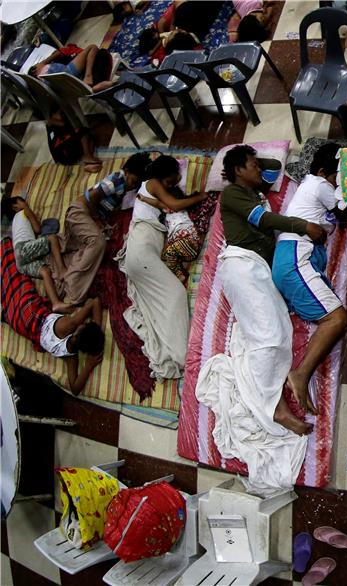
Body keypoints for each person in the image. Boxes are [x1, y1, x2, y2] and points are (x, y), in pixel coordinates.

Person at [218, 144, 327, 436]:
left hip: (258, 270)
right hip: (242, 265)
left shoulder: (256, 192)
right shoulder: (232, 194)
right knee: (268, 337)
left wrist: (249, 161)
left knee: (281, 332)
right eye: (252, 165)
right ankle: (276, 409)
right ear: (239, 171)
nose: (259, 169)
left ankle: (277, 396)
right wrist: (303, 225)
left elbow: (274, 168)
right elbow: (262, 220)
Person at [272, 143, 347, 414]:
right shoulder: (318, 184)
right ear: (323, 171)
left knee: (332, 319)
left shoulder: (313, 184)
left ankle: (301, 374)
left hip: (294, 260)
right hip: (295, 259)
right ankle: (301, 374)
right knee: (337, 319)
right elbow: (344, 211)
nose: (338, 185)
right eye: (337, 179)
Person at [117, 155, 206, 379]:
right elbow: (173, 204)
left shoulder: (150, 191)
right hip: (141, 250)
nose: (170, 187)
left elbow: (166, 206)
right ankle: (181, 354)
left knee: (157, 305)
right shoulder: (152, 182)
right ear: (161, 176)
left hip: (145, 253)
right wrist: (200, 197)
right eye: (169, 183)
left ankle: (175, 352)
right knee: (175, 293)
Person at [1, 240, 104, 395]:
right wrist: (88, 365)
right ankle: (6, 313)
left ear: (78, 331)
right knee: (10, 311)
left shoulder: (70, 324)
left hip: (30, 314)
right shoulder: (71, 356)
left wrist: (96, 325)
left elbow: (94, 302)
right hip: (19, 325)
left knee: (16, 278)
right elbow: (75, 389)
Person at [53, 152, 150, 305]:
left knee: (89, 251)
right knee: (98, 243)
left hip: (88, 217)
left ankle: (63, 275)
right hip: (80, 211)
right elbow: (92, 197)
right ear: (127, 171)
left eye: (136, 184)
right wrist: (97, 220)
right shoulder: (117, 179)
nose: (133, 185)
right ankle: (72, 284)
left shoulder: (124, 188)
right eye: (133, 181)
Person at [2, 196, 72, 312]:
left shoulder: (15, 222)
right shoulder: (24, 211)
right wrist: (27, 209)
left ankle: (55, 303)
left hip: (19, 262)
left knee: (45, 271)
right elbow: (38, 228)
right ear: (15, 207)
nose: (26, 203)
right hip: (23, 248)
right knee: (52, 238)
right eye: (23, 201)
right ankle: (62, 269)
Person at [31, 44, 115, 92]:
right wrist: (43, 62)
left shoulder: (42, 84)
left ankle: (94, 84)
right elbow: (93, 47)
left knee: (96, 58)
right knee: (100, 52)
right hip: (70, 73)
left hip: (70, 86)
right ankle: (92, 81)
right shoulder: (67, 53)